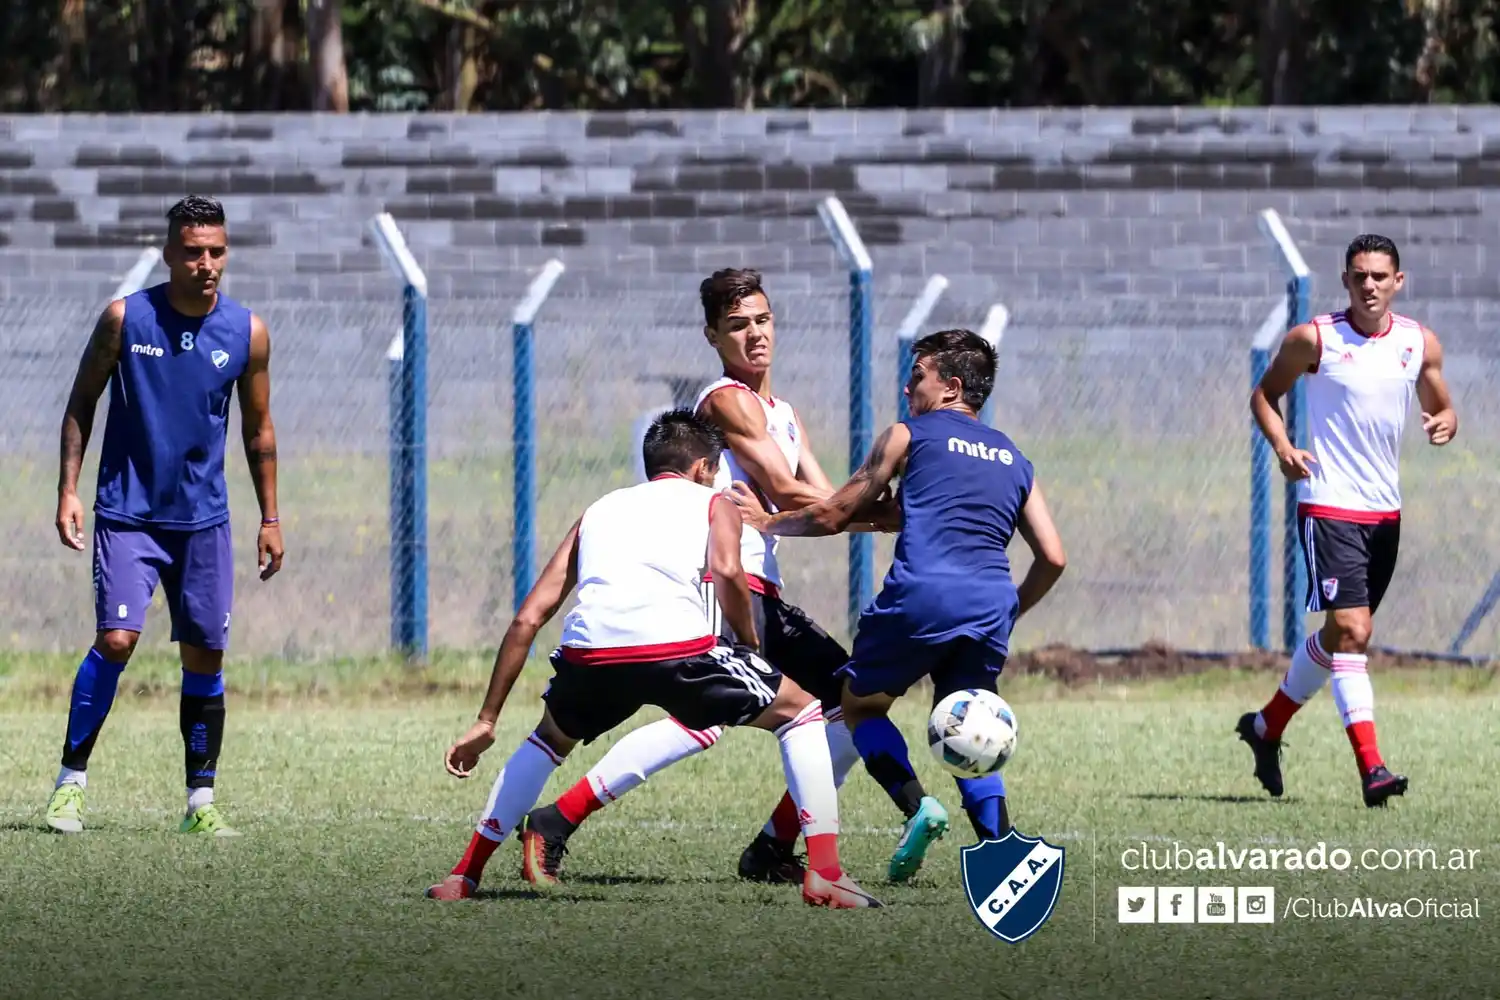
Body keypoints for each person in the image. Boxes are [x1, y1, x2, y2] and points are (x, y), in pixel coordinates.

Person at [518, 268, 897, 888]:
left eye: (763, 320)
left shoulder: (786, 412)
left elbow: (825, 504)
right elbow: (785, 490)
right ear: (713, 337)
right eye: (738, 326)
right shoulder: (725, 400)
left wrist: (879, 518)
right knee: (809, 708)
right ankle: (782, 851)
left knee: (837, 705)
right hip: (726, 586)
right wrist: (889, 508)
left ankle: (763, 846)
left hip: (757, 586)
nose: (755, 335)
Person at [423, 409, 880, 909]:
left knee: (549, 739)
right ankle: (827, 874)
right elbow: (728, 573)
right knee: (802, 712)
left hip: (590, 654)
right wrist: (748, 643)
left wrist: (486, 720)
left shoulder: (598, 511)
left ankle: (463, 876)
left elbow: (528, 618)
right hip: (676, 649)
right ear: (705, 467)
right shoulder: (714, 503)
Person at [732, 329, 1067, 881]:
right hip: (988, 605)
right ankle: (1002, 849)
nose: (906, 386)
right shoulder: (1015, 458)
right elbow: (1053, 557)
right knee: (970, 720)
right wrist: (1010, 610)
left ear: (951, 386)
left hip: (920, 598)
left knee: (860, 706)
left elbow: (835, 513)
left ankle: (917, 806)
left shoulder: (908, 436)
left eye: (917, 376)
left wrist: (767, 522)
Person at [44, 195, 284, 837]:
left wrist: (270, 517)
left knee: (205, 656)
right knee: (118, 639)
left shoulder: (247, 332)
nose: (206, 264)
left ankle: (200, 805)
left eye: (217, 252)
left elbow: (259, 431)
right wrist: (69, 489)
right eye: (193, 252)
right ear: (169, 253)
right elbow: (80, 402)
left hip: (204, 522)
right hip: (128, 514)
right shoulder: (126, 318)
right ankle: (70, 786)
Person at [1238, 234, 1457, 808]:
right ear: (1346, 279)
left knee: (1340, 635)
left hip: (1385, 512)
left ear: (1398, 282)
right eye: (1359, 275)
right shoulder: (1315, 337)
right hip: (1329, 504)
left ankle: (1265, 729)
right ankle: (1373, 769)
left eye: (1380, 276)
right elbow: (1264, 395)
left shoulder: (1418, 343)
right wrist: (1284, 447)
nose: (1369, 286)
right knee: (1356, 632)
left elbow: (1440, 402)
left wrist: (1446, 420)